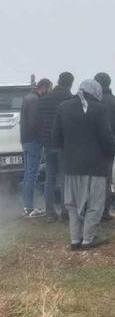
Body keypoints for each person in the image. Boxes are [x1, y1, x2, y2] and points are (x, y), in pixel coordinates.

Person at [53, 79, 115, 250]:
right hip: (95, 165)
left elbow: (56, 137)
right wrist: (111, 152)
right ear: (95, 91)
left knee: (72, 204)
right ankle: (88, 239)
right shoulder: (100, 108)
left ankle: (75, 239)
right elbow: (107, 137)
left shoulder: (63, 107)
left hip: (71, 165)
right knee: (94, 203)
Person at [38, 72, 74, 222]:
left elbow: (40, 121)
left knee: (50, 177)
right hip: (63, 143)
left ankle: (50, 212)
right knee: (65, 177)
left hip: (47, 142)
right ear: (71, 83)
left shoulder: (44, 99)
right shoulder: (70, 99)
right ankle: (65, 211)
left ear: (58, 81)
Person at [94, 73, 115, 221]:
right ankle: (104, 211)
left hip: (92, 144)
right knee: (106, 178)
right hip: (109, 144)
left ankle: (92, 209)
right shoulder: (114, 101)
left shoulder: (93, 100)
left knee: (92, 178)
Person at [20, 78, 52, 218]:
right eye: (49, 88)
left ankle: (28, 206)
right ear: (44, 87)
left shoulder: (28, 97)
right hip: (33, 140)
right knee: (32, 174)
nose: (49, 92)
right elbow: (34, 122)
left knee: (28, 174)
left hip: (26, 140)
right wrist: (41, 138)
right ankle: (29, 207)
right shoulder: (34, 100)